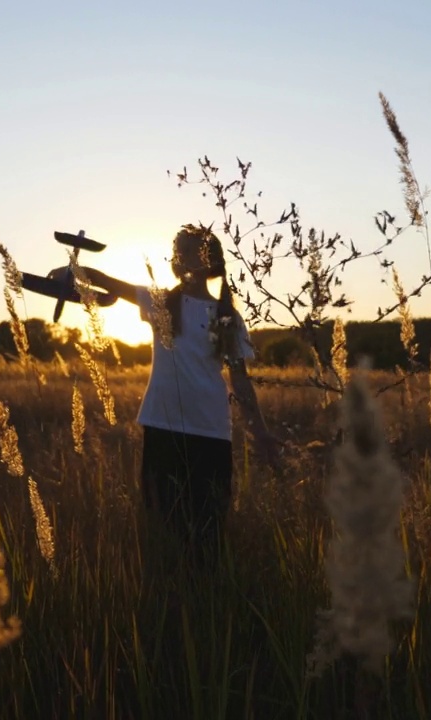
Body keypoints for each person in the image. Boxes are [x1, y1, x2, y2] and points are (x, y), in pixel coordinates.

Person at [78, 224, 282, 571]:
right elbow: (111, 284)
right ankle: (167, 599)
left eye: (187, 250)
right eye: (177, 250)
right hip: (162, 426)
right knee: (161, 524)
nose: (179, 256)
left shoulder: (225, 316)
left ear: (208, 260)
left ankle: (206, 602)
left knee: (208, 530)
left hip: (210, 433)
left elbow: (241, 381)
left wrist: (260, 432)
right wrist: (75, 269)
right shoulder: (161, 303)